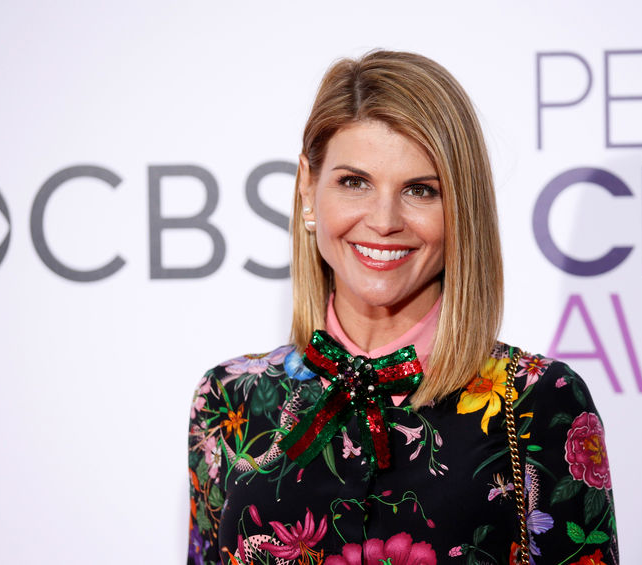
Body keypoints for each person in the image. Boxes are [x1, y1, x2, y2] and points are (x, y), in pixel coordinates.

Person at [187, 50, 618, 565]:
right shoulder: (228, 400)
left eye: (420, 190)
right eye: (354, 182)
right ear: (308, 188)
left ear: (461, 209)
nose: (385, 220)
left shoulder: (536, 402)